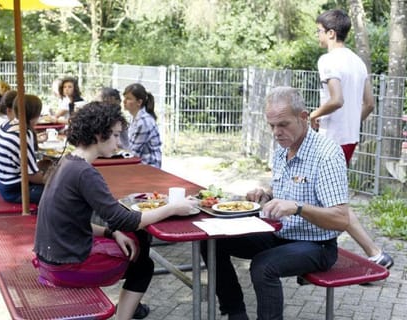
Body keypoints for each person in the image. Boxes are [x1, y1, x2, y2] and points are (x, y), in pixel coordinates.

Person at [33, 101, 197, 320]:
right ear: (100, 135)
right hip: (66, 267)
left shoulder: (66, 162)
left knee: (136, 245)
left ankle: (127, 311)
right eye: (117, 135)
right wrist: (172, 207)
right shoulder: (85, 173)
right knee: (143, 263)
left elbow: (72, 223)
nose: (119, 143)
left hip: (49, 261)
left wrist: (111, 233)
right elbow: (127, 220)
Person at [201, 87, 350, 320]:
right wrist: (266, 194)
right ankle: (235, 313)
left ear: (304, 117)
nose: (276, 132)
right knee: (211, 242)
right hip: (280, 235)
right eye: (271, 126)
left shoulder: (327, 154)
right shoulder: (283, 148)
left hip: (317, 245)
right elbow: (288, 188)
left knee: (263, 266)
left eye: (283, 124)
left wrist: (298, 207)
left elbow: (341, 218)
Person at [311, 9, 393, 268]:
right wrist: (349, 123)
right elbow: (369, 104)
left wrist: (311, 115)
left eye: (319, 31)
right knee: (318, 195)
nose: (318, 36)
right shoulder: (357, 61)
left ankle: (374, 252)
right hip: (348, 138)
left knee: (333, 202)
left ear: (331, 33)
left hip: (330, 140)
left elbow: (336, 100)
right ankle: (311, 251)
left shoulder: (328, 60)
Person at [0, 94, 46, 204]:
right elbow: (31, 175)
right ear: (35, 114)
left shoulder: (6, 125)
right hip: (16, 190)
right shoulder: (23, 134)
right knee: (63, 192)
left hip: (1, 184)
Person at [123, 83, 162, 168]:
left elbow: (133, 153)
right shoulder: (135, 118)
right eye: (124, 98)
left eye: (128, 98)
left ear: (139, 102)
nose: (124, 101)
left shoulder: (144, 122)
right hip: (140, 165)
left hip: (149, 167)